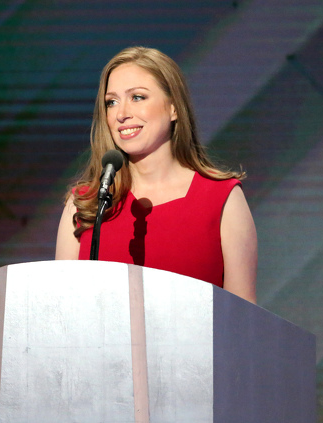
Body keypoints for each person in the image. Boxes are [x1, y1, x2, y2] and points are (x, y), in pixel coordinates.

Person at [55, 46, 257, 303]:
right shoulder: (86, 204)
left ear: (173, 108)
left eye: (137, 97)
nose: (121, 114)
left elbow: (246, 321)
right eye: (112, 102)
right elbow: (62, 314)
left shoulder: (221, 198)